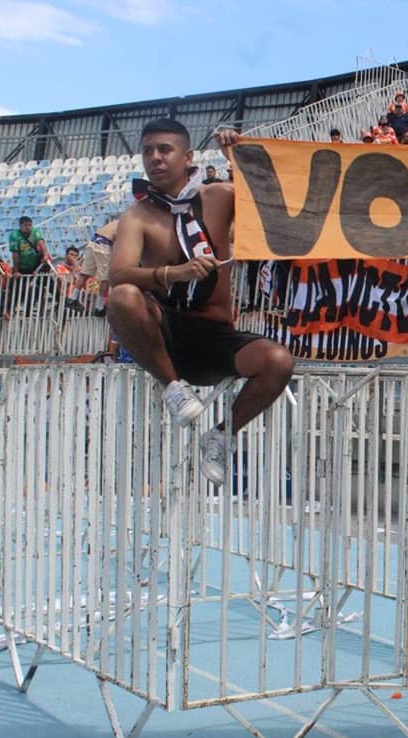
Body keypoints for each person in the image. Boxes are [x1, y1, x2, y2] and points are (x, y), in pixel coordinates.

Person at [106, 119, 294, 486]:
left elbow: (272, 206)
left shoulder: (219, 196)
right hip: (163, 334)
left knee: (278, 361)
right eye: (147, 152)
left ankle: (222, 436)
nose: (155, 159)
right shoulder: (137, 216)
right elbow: (118, 274)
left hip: (213, 335)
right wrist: (173, 274)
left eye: (165, 150)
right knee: (123, 296)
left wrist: (236, 154)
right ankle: (173, 387)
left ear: (188, 156)